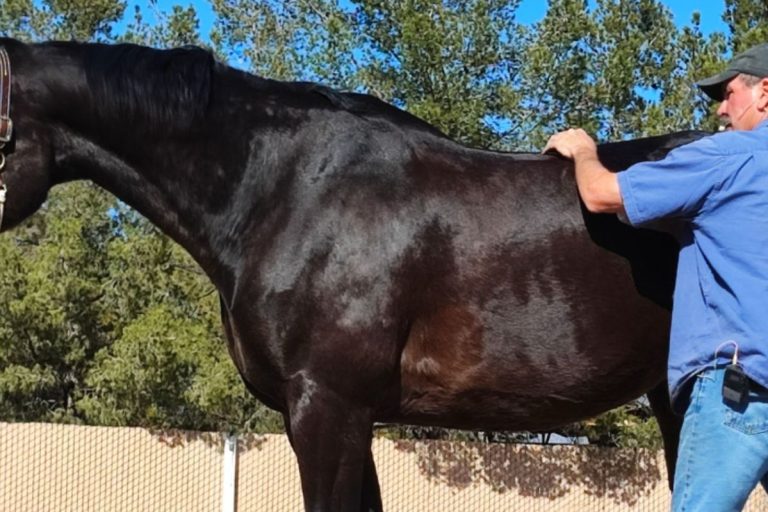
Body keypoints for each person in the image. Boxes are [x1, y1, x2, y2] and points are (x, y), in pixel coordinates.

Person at [543, 43, 768, 512]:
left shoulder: (729, 157)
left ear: (764, 92)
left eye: (728, 94)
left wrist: (584, 150)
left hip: (739, 393)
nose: (722, 110)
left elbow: (602, 195)